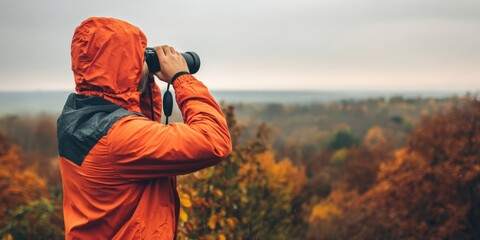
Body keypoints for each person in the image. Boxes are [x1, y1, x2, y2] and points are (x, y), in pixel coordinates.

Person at [57, 17, 232, 239]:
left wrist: (142, 83)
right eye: (137, 57)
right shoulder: (120, 137)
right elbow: (213, 141)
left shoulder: (76, 118)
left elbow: (139, 120)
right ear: (123, 66)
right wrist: (181, 77)